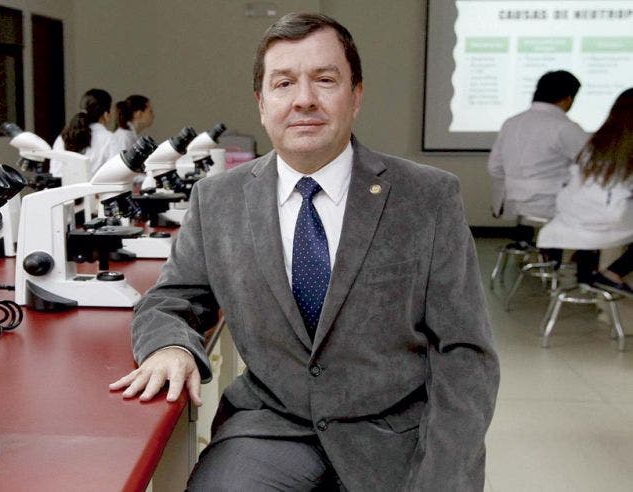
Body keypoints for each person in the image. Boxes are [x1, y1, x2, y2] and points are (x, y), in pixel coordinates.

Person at [110, 12, 499, 491]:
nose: (304, 100)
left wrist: (444, 476)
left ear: (356, 95)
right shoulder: (219, 201)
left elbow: (465, 351)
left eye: (325, 80)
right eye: (284, 83)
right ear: (261, 102)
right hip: (270, 426)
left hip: (393, 434)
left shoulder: (426, 197)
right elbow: (170, 298)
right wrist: (169, 345)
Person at [538, 88, 633, 296]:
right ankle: (612, 273)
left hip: (572, 219)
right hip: (605, 223)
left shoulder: (596, 142)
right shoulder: (627, 148)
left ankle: (587, 277)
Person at [488, 70, 588, 222]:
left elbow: (494, 167)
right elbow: (593, 164)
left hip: (512, 204)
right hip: (551, 205)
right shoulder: (565, 127)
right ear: (568, 99)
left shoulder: (511, 123)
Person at [52, 88, 114, 178]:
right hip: (95, 191)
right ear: (106, 114)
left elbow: (55, 172)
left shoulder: (63, 137)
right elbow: (115, 173)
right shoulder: (109, 139)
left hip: (62, 190)